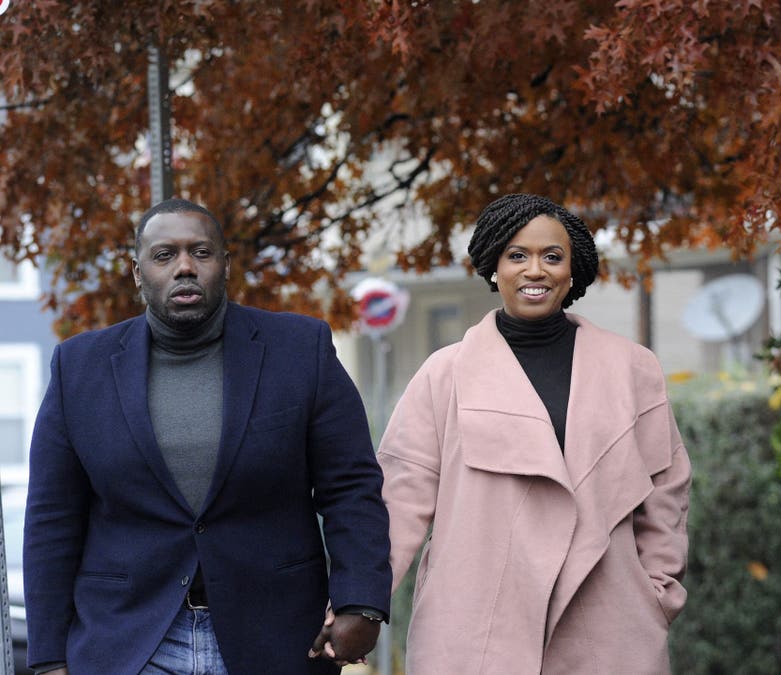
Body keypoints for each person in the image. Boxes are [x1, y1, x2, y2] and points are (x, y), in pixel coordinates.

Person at [23, 198, 392, 674]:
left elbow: (351, 489)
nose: (184, 268)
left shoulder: (302, 351)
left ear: (225, 265)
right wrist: (50, 657)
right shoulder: (79, 368)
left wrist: (360, 603)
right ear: (137, 272)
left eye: (201, 252)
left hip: (275, 638)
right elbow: (53, 518)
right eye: (164, 256)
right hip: (128, 642)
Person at [378, 193, 692, 673]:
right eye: (517, 255)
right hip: (476, 627)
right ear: (493, 267)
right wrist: (360, 602)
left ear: (574, 270)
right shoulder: (444, 374)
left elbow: (666, 490)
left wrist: (657, 592)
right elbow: (401, 501)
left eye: (552, 256)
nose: (535, 270)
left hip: (607, 627)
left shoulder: (632, 367)